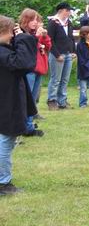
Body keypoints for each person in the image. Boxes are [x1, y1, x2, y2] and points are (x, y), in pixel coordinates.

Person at [0, 16, 37, 196]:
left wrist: (19, 39)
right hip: (6, 103)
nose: (12, 36)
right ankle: (3, 183)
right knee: (5, 142)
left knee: (5, 141)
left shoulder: (4, 50)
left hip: (6, 101)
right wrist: (22, 38)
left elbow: (24, 62)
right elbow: (23, 62)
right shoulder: (2, 53)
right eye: (10, 32)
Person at [18, 8, 50, 136]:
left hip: (38, 69)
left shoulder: (33, 33)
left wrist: (44, 36)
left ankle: (29, 125)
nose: (36, 22)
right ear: (26, 20)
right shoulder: (20, 33)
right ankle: (26, 126)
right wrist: (36, 37)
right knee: (26, 98)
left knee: (32, 99)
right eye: (33, 20)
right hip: (28, 70)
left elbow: (48, 46)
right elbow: (26, 49)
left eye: (37, 20)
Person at [47, 2, 76, 110]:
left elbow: (71, 38)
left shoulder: (69, 23)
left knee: (65, 79)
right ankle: (52, 100)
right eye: (67, 10)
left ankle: (62, 101)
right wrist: (57, 55)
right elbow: (49, 40)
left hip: (68, 54)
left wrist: (73, 51)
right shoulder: (53, 23)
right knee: (56, 79)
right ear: (61, 11)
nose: (69, 12)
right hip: (57, 54)